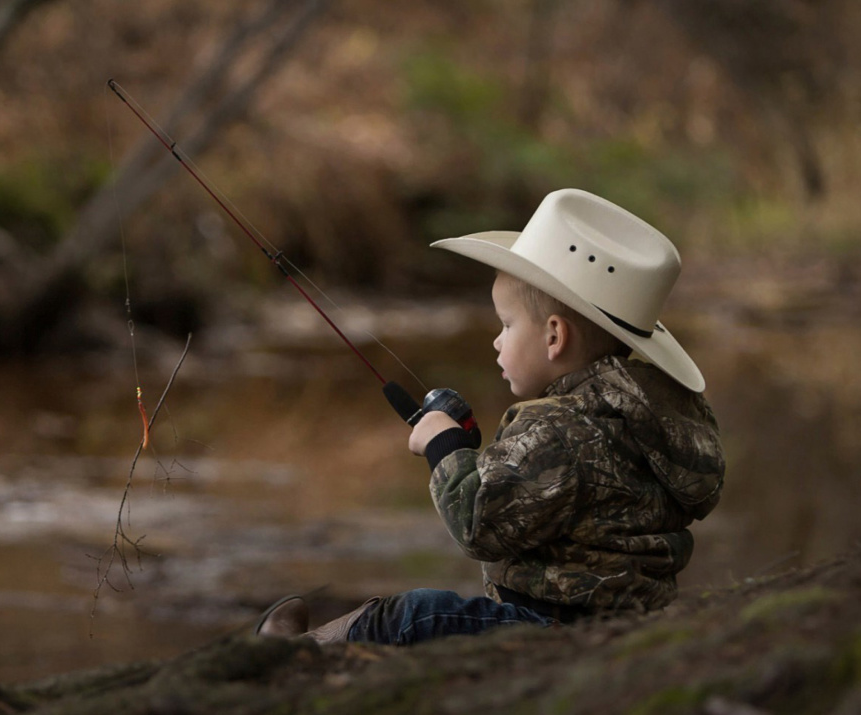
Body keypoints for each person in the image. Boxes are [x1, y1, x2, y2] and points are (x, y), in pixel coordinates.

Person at [255, 188, 725, 645]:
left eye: (506, 324)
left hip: (557, 630)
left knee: (413, 615)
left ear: (554, 337)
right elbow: (541, 495)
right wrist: (478, 456)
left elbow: (478, 524)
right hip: (625, 625)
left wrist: (445, 448)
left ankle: (290, 658)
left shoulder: (558, 431)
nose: (497, 342)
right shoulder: (645, 416)